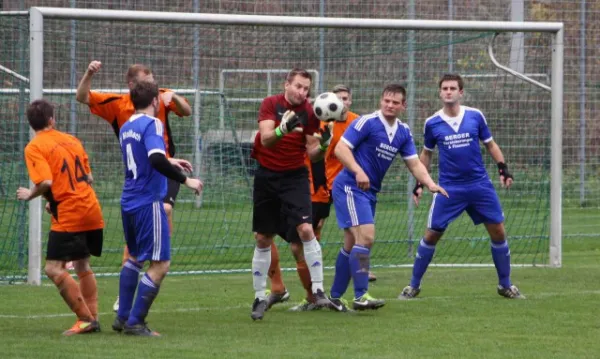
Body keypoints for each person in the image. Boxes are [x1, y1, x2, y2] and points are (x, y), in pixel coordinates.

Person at [76, 60, 191, 312]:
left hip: (163, 167)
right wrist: (89, 73)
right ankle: (145, 268)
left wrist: (176, 97)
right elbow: (82, 97)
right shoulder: (119, 105)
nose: (153, 87)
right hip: (142, 172)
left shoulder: (159, 97)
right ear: (132, 85)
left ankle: (154, 253)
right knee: (145, 233)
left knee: (166, 210)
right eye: (146, 83)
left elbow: (187, 111)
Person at [399, 73, 524, 300]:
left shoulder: (475, 116)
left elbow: (490, 144)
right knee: (432, 234)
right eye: (444, 88)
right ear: (440, 93)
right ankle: (413, 286)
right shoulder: (432, 123)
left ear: (461, 92)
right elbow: (425, 154)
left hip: (479, 185)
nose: (448, 91)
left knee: (498, 231)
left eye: (452, 88)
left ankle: (505, 285)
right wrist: (420, 183)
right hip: (449, 188)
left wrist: (503, 168)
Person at [328, 84, 448, 311]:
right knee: (367, 236)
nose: (390, 105)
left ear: (403, 106)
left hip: (369, 191)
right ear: (381, 101)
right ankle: (361, 296)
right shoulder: (367, 122)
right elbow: (341, 150)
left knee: (352, 243)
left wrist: (430, 183)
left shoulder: (403, 132)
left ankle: (334, 297)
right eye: (386, 101)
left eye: (395, 102)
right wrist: (358, 170)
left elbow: (414, 163)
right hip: (350, 187)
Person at [111, 81, 203, 336]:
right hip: (147, 201)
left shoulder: (126, 126)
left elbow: (141, 158)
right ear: (155, 102)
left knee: (134, 258)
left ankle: (122, 317)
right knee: (160, 264)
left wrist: (169, 159)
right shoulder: (153, 124)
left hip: (128, 200)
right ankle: (136, 322)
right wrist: (186, 180)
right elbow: (153, 158)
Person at [249, 68, 333, 321]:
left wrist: (325, 143)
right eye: (298, 86)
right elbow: (265, 140)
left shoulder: (309, 112)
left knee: (306, 230)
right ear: (286, 84)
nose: (302, 92)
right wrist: (282, 129)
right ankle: (259, 297)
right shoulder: (270, 104)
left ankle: (318, 291)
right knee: (263, 237)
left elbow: (312, 152)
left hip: (294, 177)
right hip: (266, 175)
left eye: (306, 88)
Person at [17, 99, 104, 335]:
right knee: (82, 263)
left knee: (53, 269)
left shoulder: (35, 147)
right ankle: (92, 316)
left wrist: (30, 195)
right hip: (92, 209)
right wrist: (53, 201)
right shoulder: (72, 140)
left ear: (31, 124)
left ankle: (85, 319)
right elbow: (88, 178)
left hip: (71, 213)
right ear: (51, 120)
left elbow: (46, 182)